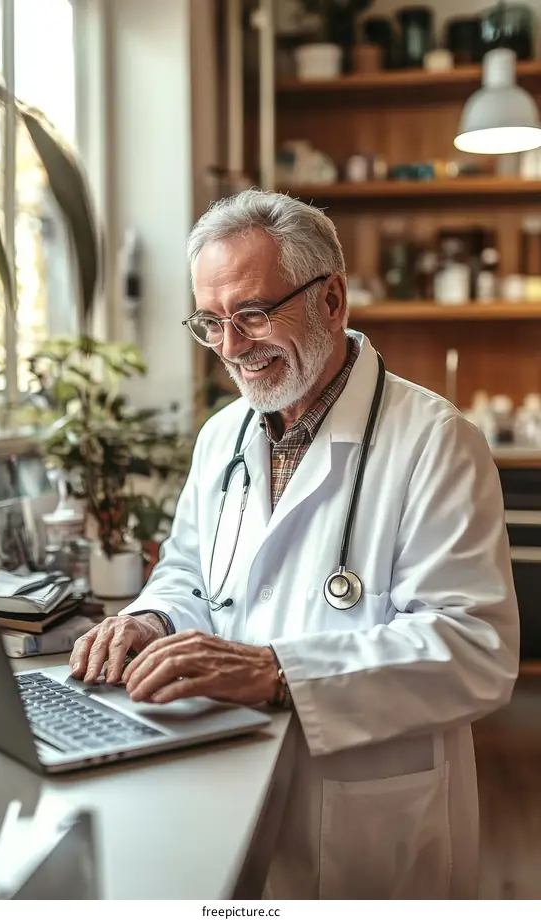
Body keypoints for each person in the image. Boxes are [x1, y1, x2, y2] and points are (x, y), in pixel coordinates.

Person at [70, 190, 519, 899]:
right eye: (210, 322)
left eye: (250, 314)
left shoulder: (436, 442)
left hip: (366, 820)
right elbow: (189, 572)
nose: (229, 348)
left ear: (331, 300)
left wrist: (281, 672)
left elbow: (476, 649)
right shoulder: (223, 435)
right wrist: (151, 619)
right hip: (225, 774)